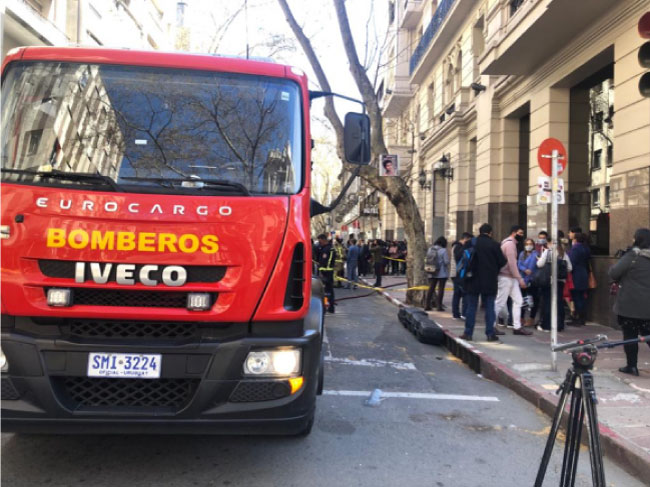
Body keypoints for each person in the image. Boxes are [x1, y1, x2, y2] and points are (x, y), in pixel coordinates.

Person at [608, 228, 650, 376]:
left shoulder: (633, 255)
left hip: (630, 305)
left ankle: (632, 366)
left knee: (630, 336)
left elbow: (614, 273)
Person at [461, 223, 507, 342]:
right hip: (489, 280)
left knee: (471, 306)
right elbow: (502, 262)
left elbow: (462, 259)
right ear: (490, 232)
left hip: (473, 279)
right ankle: (490, 334)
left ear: (479, 232)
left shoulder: (471, 243)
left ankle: (468, 333)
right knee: (489, 307)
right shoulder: (495, 245)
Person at [495, 225, 533, 336]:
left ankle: (517, 327)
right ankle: (491, 325)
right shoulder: (510, 244)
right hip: (506, 277)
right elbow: (512, 264)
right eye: (520, 233)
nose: (522, 235)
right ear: (513, 232)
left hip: (510, 277)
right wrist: (520, 279)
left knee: (518, 301)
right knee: (500, 303)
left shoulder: (509, 243)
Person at [536, 235, 572, 332]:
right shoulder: (563, 253)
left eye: (548, 242)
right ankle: (559, 325)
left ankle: (547, 325)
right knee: (559, 303)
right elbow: (569, 268)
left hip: (548, 281)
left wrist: (539, 258)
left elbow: (539, 264)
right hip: (560, 282)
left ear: (551, 243)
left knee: (547, 303)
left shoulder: (548, 252)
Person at [567, 232, 591, 325]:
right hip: (583, 273)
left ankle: (578, 319)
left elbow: (572, 262)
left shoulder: (576, 248)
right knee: (581, 297)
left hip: (576, 274)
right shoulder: (586, 248)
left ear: (575, 239)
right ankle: (582, 318)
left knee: (577, 297)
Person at [425, 237, 450, 311]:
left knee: (431, 288)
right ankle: (439, 306)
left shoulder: (430, 249)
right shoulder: (443, 250)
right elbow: (446, 262)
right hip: (442, 273)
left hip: (431, 271)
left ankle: (427, 305)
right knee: (441, 289)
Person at [518, 238, 539, 327]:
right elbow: (519, 264)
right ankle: (521, 318)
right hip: (523, 279)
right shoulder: (522, 254)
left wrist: (529, 270)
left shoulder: (536, 254)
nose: (528, 246)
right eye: (527, 244)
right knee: (522, 300)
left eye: (530, 244)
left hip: (533, 280)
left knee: (534, 300)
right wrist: (524, 269)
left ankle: (531, 318)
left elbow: (535, 265)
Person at [451, 232, 472, 320]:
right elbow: (459, 258)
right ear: (465, 239)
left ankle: (461, 313)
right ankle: (457, 313)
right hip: (458, 274)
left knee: (460, 294)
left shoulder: (457, 246)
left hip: (458, 273)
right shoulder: (458, 247)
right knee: (459, 294)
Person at [316, 234, 336, 313]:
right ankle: (327, 306)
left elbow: (328, 261)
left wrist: (324, 271)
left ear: (323, 239)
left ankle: (328, 307)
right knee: (327, 290)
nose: (319, 242)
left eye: (320, 240)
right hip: (325, 272)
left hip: (327, 273)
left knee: (327, 291)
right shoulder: (325, 248)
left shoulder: (328, 249)